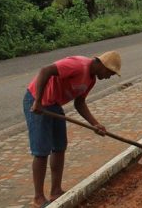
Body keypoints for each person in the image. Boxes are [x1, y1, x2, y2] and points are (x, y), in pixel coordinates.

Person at [23, 51, 121, 208]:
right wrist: (38, 101)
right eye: (110, 72)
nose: (109, 76)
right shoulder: (78, 65)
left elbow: (79, 103)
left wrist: (95, 124)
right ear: (102, 65)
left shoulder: (91, 80)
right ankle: (38, 198)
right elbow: (45, 71)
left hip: (54, 104)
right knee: (41, 150)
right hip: (37, 101)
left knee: (60, 146)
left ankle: (55, 191)